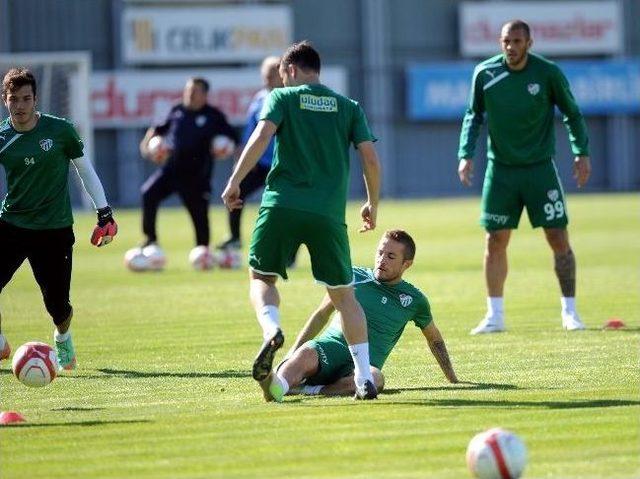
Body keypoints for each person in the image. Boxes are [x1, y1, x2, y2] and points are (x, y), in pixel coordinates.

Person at [222, 40, 382, 400]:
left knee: (262, 276)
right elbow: (370, 159)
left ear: (290, 70)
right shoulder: (348, 107)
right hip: (327, 213)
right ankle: (363, 378)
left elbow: (261, 137)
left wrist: (234, 182)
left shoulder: (281, 98)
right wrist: (372, 203)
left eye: (282, 75)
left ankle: (271, 330)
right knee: (344, 297)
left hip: (281, 205)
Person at [457, 20, 591, 334]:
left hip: (540, 169)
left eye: (517, 41)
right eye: (506, 41)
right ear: (500, 42)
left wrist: (581, 152)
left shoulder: (548, 73)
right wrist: (465, 154)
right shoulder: (485, 74)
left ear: (529, 43)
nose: (511, 47)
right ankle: (495, 316)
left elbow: (572, 112)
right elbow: (472, 115)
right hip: (500, 171)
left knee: (558, 237)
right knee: (495, 240)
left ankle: (570, 312)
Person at [0, 68, 118, 368]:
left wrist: (104, 212)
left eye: (26, 99)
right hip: (11, 225)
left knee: (57, 305)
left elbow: (84, 170)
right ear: (5, 100)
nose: (20, 106)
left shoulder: (60, 131)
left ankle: (63, 338)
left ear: (35, 99)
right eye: (14, 99)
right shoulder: (2, 137)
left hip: (53, 229)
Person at [258, 230, 458, 402]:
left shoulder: (415, 300)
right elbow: (321, 315)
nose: (382, 260)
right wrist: (291, 352)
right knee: (304, 355)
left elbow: (434, 338)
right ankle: (277, 387)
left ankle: (307, 390)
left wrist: (452, 378)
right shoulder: (353, 276)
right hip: (330, 348)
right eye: (380, 252)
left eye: (390, 256)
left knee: (376, 378)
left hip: (362, 367)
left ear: (407, 264)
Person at [138, 77, 238, 260]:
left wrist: (228, 152)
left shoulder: (214, 115)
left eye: (195, 91)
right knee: (148, 193)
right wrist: (147, 146)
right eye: (188, 90)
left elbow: (234, 140)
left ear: (205, 95)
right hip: (171, 170)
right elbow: (157, 130)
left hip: (197, 177)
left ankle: (203, 254)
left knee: (200, 222)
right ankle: (150, 239)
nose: (190, 94)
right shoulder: (176, 110)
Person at [217, 56, 282, 252]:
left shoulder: (290, 99)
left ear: (282, 75)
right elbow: (251, 133)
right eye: (265, 75)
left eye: (271, 74)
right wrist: (243, 158)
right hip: (260, 163)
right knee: (236, 192)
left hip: (284, 164)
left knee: (286, 208)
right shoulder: (259, 99)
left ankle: (289, 253)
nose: (267, 79)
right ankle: (234, 237)